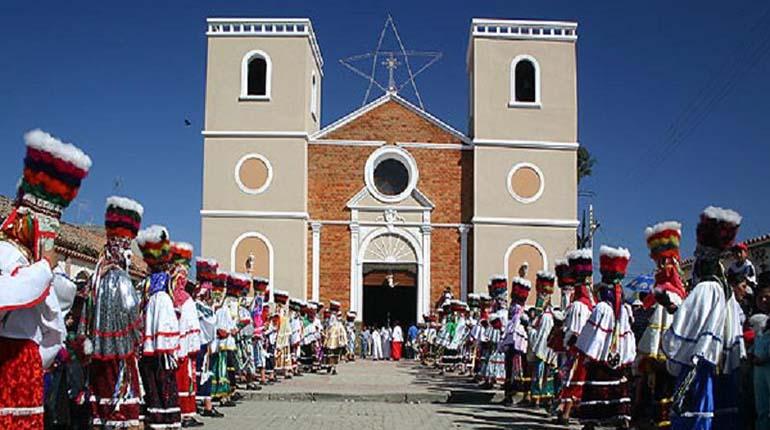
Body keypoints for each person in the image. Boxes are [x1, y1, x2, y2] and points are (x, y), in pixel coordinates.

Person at [0, 129, 90, 429]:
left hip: (25, 360)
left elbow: (52, 319)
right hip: (8, 356)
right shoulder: (6, 253)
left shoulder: (33, 263)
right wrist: (43, 270)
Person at [663, 207, 746, 430]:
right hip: (717, 366)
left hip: (698, 365)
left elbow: (687, 326)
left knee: (695, 414)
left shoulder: (707, 289)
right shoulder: (724, 290)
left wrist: (669, 337)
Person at [84, 197, 144, 429]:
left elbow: (85, 318)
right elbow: (132, 313)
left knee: (100, 404)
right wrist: (137, 342)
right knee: (122, 408)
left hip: (97, 352)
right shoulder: (122, 279)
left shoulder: (96, 277)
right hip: (121, 354)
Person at [574, 246, 636, 429]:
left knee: (596, 389)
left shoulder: (602, 308)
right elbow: (628, 338)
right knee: (617, 387)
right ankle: (621, 420)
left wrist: (582, 349)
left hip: (600, 361)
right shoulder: (625, 309)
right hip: (617, 361)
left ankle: (591, 423)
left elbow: (592, 337)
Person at [636, 221, 686, 429]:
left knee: (666, 391)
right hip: (663, 356)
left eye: (666, 262)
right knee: (660, 391)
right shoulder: (661, 294)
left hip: (670, 354)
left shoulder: (673, 294)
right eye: (660, 262)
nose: (662, 267)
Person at [136, 225, 182, 429]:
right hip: (157, 344)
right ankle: (163, 417)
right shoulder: (158, 292)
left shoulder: (157, 291)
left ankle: (162, 417)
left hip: (156, 344)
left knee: (159, 378)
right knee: (160, 378)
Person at [555, 249, 593, 425]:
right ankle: (565, 411)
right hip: (583, 348)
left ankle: (566, 414)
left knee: (572, 381)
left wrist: (566, 339)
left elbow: (574, 331)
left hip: (576, 350)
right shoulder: (585, 304)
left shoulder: (578, 306)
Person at [168, 242, 204, 427]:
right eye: (181, 275)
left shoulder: (176, 297)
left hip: (180, 347)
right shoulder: (180, 299)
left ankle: (185, 412)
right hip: (181, 348)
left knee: (184, 380)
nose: (183, 278)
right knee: (183, 380)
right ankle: (183, 414)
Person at [193, 258, 223, 418]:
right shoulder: (197, 306)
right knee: (199, 373)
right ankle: (201, 405)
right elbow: (210, 324)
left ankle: (207, 405)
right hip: (199, 344)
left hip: (205, 345)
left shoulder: (203, 306)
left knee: (205, 373)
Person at [528, 271, 558, 408]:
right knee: (545, 372)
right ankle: (545, 397)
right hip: (548, 347)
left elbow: (539, 334)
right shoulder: (548, 315)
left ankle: (539, 397)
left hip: (544, 347)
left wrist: (530, 331)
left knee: (542, 372)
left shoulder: (546, 317)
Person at [753, 272, 770, 430]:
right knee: (762, 410)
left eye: (767, 296)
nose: (764, 300)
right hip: (760, 373)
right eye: (760, 298)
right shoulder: (760, 321)